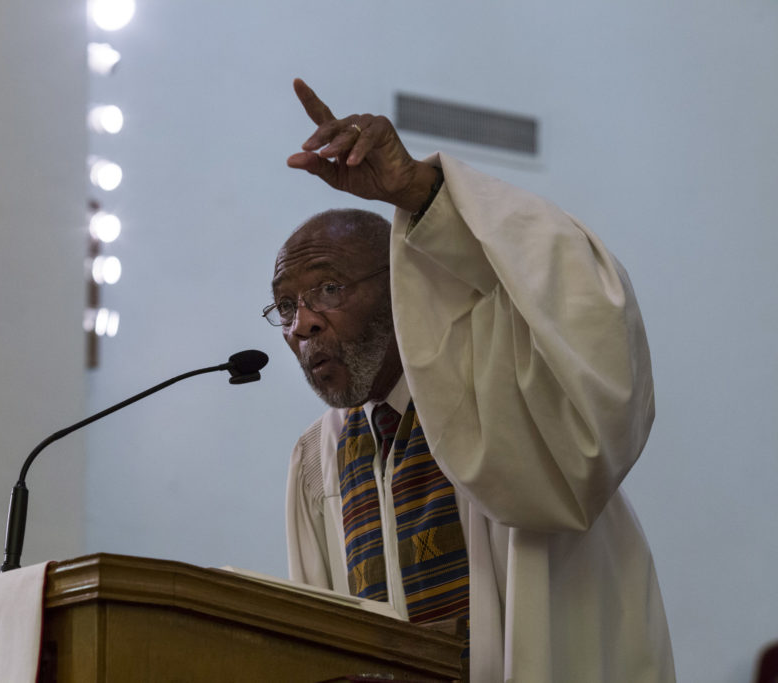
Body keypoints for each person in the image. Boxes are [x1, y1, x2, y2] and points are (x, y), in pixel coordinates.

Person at [271, 79, 675, 683]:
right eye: (285, 305)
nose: (302, 324)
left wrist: (419, 190)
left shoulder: (506, 390)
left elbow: (589, 319)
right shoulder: (320, 459)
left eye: (327, 289)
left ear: (398, 286)